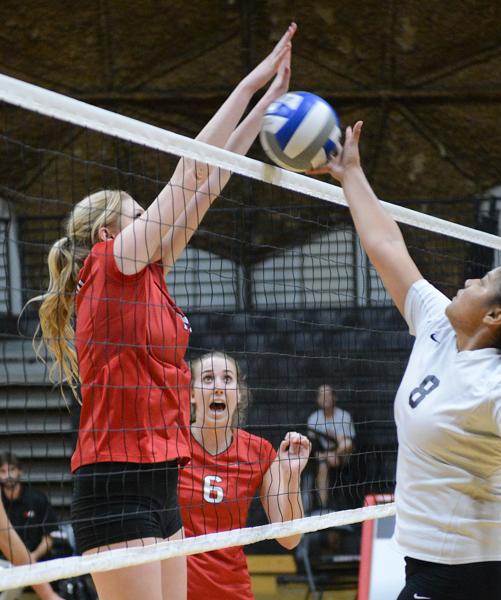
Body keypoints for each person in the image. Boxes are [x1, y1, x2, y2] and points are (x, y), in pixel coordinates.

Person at [29, 22, 297, 600]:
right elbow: (189, 168)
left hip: (160, 479)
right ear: (107, 231)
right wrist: (250, 81)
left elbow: (210, 181)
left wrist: (268, 107)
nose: (150, 212)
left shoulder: (149, 272)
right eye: (137, 210)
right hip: (113, 485)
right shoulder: (108, 263)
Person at [310, 121, 501, 599]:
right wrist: (351, 174)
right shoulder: (437, 326)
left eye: (482, 282)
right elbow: (386, 246)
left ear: (494, 314)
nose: (468, 282)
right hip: (426, 565)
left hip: (469, 575)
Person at [178, 351, 311, 600]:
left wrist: (292, 476)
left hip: (233, 591)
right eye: (208, 379)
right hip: (177, 592)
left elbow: (290, 538)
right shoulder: (170, 446)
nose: (218, 386)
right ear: (192, 394)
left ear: (238, 394)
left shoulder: (259, 452)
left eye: (227, 379)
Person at [0, 452, 57, 563]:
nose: (8, 475)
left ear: (20, 471)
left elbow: (49, 539)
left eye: (12, 469)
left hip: (36, 561)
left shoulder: (37, 499)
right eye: (3, 471)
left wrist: (31, 558)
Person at [0, 500, 63, 600]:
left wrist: (32, 556)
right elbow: (4, 536)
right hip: (7, 561)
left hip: (27, 561)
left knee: (18, 572)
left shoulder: (36, 499)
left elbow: (5, 537)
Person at [306, 384, 355, 508]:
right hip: (322, 456)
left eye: (328, 394)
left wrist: (335, 452)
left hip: (342, 455)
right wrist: (323, 455)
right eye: (322, 395)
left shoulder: (344, 416)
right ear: (317, 399)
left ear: (334, 397)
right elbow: (312, 444)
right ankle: (323, 507)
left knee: (347, 444)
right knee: (322, 464)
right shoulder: (313, 418)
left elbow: (346, 441)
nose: (325, 398)